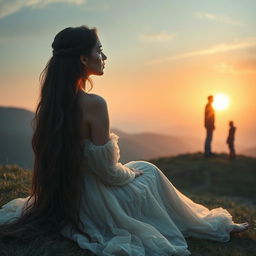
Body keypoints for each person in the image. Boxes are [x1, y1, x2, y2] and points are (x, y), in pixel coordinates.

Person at [0, 26, 249, 256]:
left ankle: (197, 221)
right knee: (148, 171)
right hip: (93, 200)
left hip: (63, 195)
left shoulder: (51, 105)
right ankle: (203, 225)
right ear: (83, 59)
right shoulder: (94, 103)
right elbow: (108, 173)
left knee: (142, 168)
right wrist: (131, 174)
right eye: (99, 50)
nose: (104, 56)